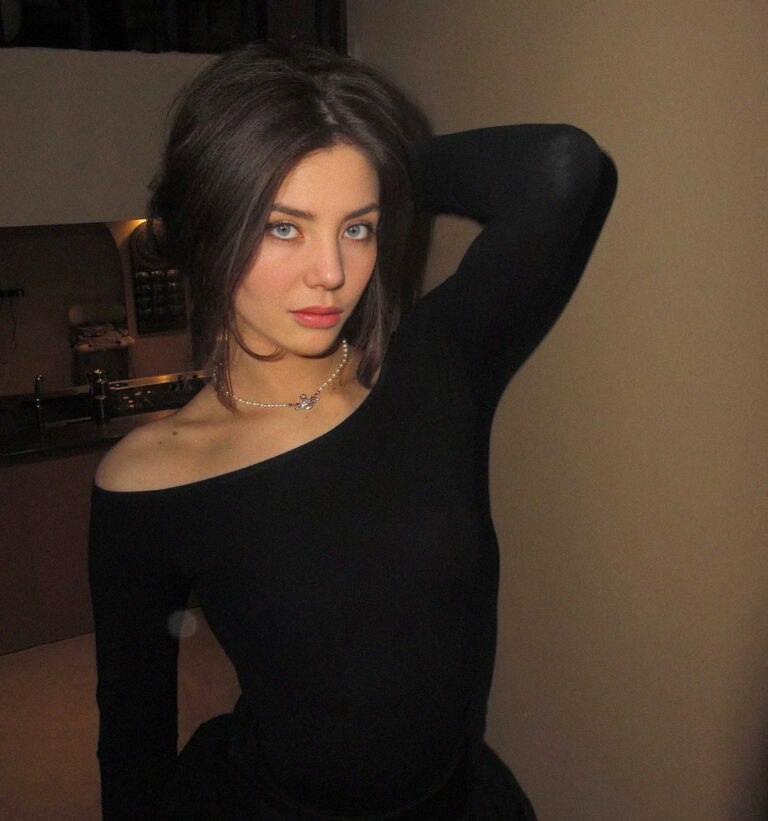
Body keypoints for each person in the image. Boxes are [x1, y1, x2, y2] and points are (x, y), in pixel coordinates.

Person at [89, 41, 615, 821]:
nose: (331, 273)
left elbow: (563, 168)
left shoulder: (435, 369)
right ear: (207, 225)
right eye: (284, 227)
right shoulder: (147, 481)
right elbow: (134, 753)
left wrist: (375, 155)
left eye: (358, 227)